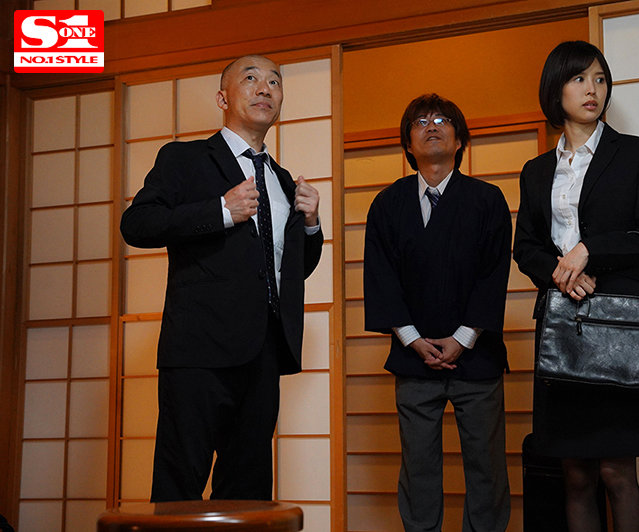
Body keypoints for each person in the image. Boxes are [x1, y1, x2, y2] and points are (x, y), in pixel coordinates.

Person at [120, 54, 323, 502]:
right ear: (222, 98)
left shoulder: (283, 180)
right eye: (250, 78)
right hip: (198, 349)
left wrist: (311, 225)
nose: (265, 88)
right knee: (180, 483)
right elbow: (137, 224)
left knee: (248, 489)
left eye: (274, 82)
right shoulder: (185, 158)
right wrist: (221, 211)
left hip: (263, 352)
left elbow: (291, 272)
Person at [513, 41, 639, 532]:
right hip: (560, 325)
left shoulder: (636, 153)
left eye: (600, 79)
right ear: (555, 89)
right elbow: (526, 247)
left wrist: (588, 251)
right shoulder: (536, 171)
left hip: (617, 326)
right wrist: (562, 272)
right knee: (576, 474)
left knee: (617, 471)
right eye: (579, 78)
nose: (592, 89)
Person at [363, 94, 512, 532]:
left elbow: (493, 274)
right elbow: (381, 277)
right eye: (421, 121)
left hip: (477, 355)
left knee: (486, 467)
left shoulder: (487, 200)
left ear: (459, 139)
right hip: (414, 357)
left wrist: (463, 338)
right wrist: (412, 339)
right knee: (419, 469)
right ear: (407, 144)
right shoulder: (387, 204)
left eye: (443, 120)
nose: (432, 126)